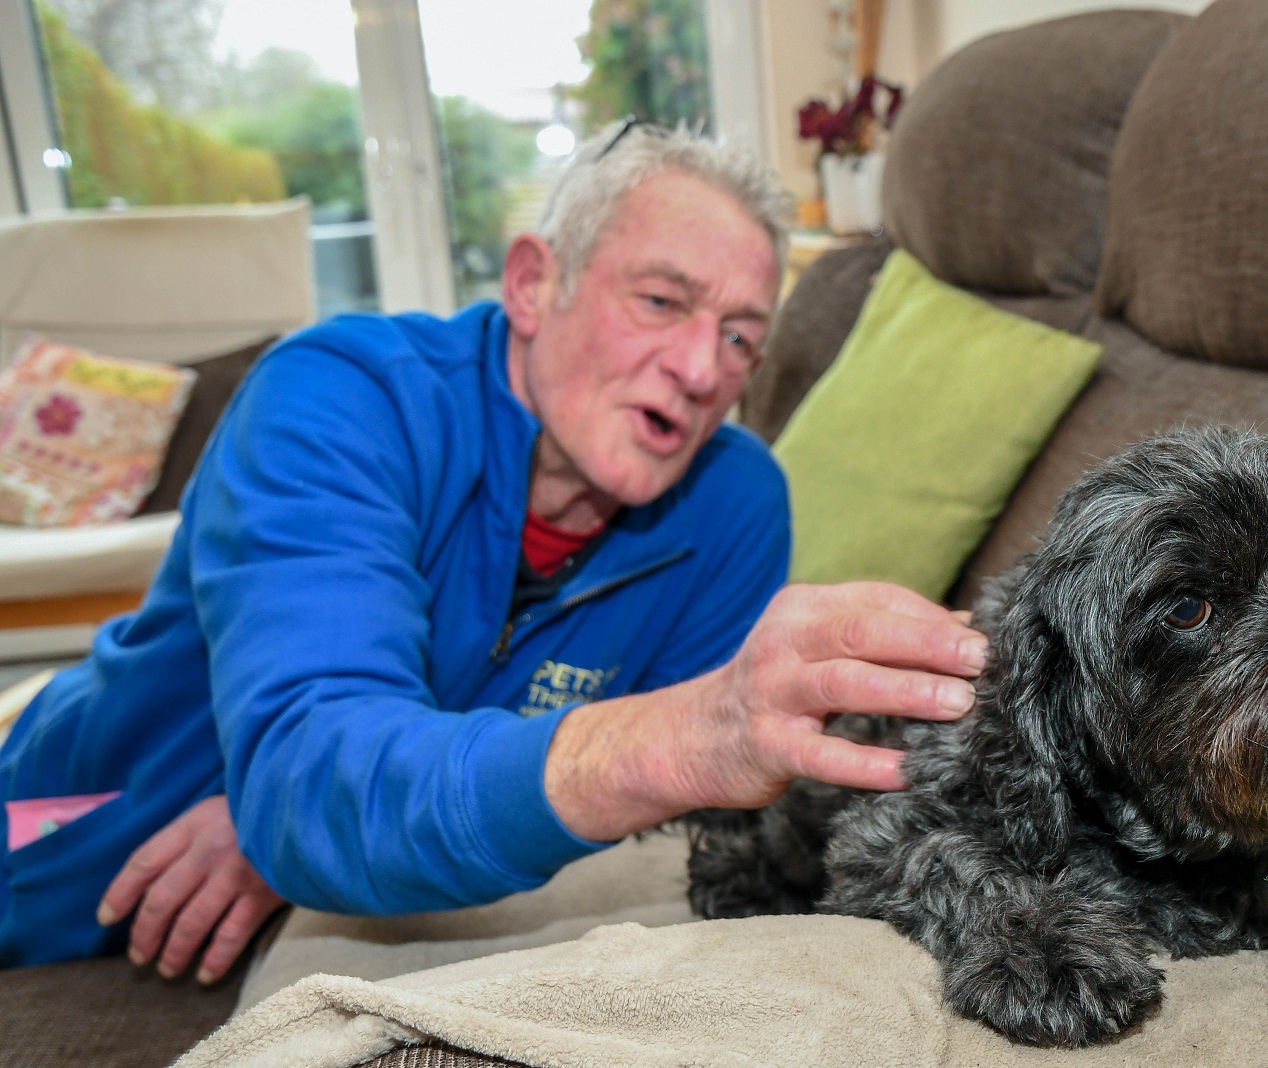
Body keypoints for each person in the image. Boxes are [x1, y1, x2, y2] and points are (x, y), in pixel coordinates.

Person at [0, 124, 985, 982]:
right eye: (659, 301)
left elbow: (673, 833)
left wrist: (312, 827)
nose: (698, 369)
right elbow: (315, 770)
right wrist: (290, 812)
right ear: (531, 283)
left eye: (739, 338)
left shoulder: (736, 503)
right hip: (76, 843)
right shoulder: (337, 399)